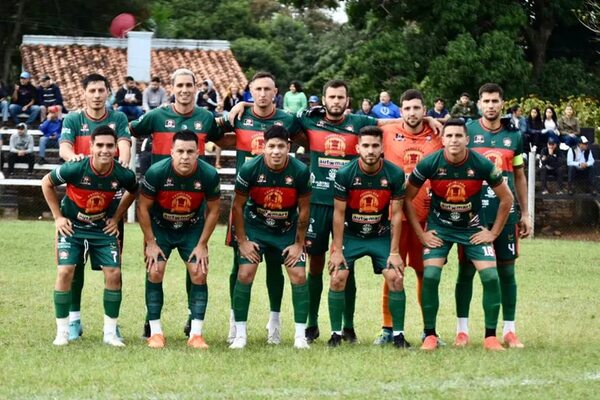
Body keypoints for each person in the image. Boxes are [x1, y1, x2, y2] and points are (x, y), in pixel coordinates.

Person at [228, 79, 442, 343]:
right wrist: (246, 103)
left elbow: (391, 123)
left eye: (341, 97)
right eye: (332, 97)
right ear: (324, 99)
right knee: (315, 265)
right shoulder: (309, 121)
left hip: (351, 205)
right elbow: (275, 116)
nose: (336, 101)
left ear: (347, 100)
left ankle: (347, 326)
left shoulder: (359, 124)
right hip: (317, 203)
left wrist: (430, 120)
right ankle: (311, 324)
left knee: (344, 265)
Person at [404, 118, 513, 351]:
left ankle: (490, 337)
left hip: (472, 228)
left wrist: (493, 233)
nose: (454, 140)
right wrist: (421, 235)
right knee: (431, 276)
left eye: (458, 136)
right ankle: (430, 335)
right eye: (449, 136)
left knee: (491, 277)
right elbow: (405, 198)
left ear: (467, 139)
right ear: (442, 140)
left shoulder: (481, 164)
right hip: (440, 228)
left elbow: (507, 198)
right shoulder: (429, 163)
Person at [130, 68, 225, 338]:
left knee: (194, 265)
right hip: (160, 200)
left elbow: (225, 134)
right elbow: (130, 132)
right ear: (172, 88)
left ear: (196, 88)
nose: (184, 90)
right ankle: (152, 320)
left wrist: (239, 109)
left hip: (193, 199)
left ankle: (191, 318)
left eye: (189, 85)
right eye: (179, 85)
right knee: (155, 267)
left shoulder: (206, 118)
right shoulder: (156, 116)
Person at [216, 71, 303, 345]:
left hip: (280, 204)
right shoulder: (240, 115)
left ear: (276, 91)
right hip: (249, 203)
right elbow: (214, 134)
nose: (263, 94)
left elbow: (307, 135)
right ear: (250, 91)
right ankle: (234, 321)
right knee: (240, 264)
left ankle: (274, 323)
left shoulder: (288, 120)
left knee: (277, 266)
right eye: (257, 90)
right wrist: (234, 108)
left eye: (268, 89)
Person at [41, 125, 138, 346]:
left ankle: (110, 333)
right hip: (72, 227)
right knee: (66, 271)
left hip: (101, 228)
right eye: (100, 145)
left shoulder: (122, 173)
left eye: (110, 146)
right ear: (91, 146)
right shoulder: (75, 168)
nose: (105, 150)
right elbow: (46, 183)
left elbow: (134, 190)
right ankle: (63, 332)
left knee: (113, 273)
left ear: (115, 148)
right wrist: (58, 217)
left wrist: (117, 217)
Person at [455, 83, 531, 349]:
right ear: (479, 104)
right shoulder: (468, 132)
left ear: (502, 103)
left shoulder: (515, 136)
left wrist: (526, 213)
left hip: (506, 213)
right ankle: (461, 331)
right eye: (485, 101)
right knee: (466, 272)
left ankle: (509, 330)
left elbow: (519, 176)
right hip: (471, 215)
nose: (490, 105)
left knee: (506, 271)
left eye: (494, 101)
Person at [59, 72, 132, 341]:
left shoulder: (119, 118)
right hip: (78, 199)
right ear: (85, 93)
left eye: (102, 90)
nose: (97, 95)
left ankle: (112, 325)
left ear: (108, 92)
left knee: (113, 267)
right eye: (92, 90)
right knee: (73, 265)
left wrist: (120, 164)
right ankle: (74, 320)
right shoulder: (73, 119)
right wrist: (75, 159)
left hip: (110, 204)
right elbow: (64, 148)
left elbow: (124, 146)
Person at [327, 126, 409, 348]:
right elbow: (339, 213)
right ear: (357, 148)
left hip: (379, 235)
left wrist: (394, 252)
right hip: (351, 235)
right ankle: (335, 334)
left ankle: (399, 336)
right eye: (366, 146)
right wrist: (336, 250)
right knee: (337, 277)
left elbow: (397, 214)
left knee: (396, 278)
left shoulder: (394, 173)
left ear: (382, 148)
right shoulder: (345, 174)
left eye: (375, 146)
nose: (370, 150)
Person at [230, 125, 311, 349]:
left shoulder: (300, 171)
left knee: (299, 275)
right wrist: (243, 241)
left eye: (281, 146)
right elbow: (237, 207)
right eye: (271, 146)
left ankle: (299, 336)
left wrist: (298, 244)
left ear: (289, 147)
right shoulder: (249, 169)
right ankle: (240, 335)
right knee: (245, 273)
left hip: (286, 229)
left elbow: (304, 209)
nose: (276, 151)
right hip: (256, 227)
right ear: (264, 147)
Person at [138, 130, 220, 349]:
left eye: (190, 152)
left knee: (199, 273)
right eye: (180, 151)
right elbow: (143, 208)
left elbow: (213, 211)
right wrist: (151, 242)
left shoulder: (209, 174)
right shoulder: (156, 172)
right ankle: (155, 333)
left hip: (191, 229)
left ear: (198, 153)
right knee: (155, 270)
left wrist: (202, 244)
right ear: (172, 152)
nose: (185, 156)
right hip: (160, 228)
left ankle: (196, 334)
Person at [375, 89, 443, 345]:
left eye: (417, 108)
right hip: (395, 218)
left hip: (428, 219)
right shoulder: (388, 131)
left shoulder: (436, 133)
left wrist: (436, 121)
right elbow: (363, 123)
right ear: (399, 110)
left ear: (424, 110)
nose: (412, 113)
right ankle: (387, 328)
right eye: (407, 109)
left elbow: (461, 129)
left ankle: (429, 331)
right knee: (392, 271)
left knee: (426, 273)